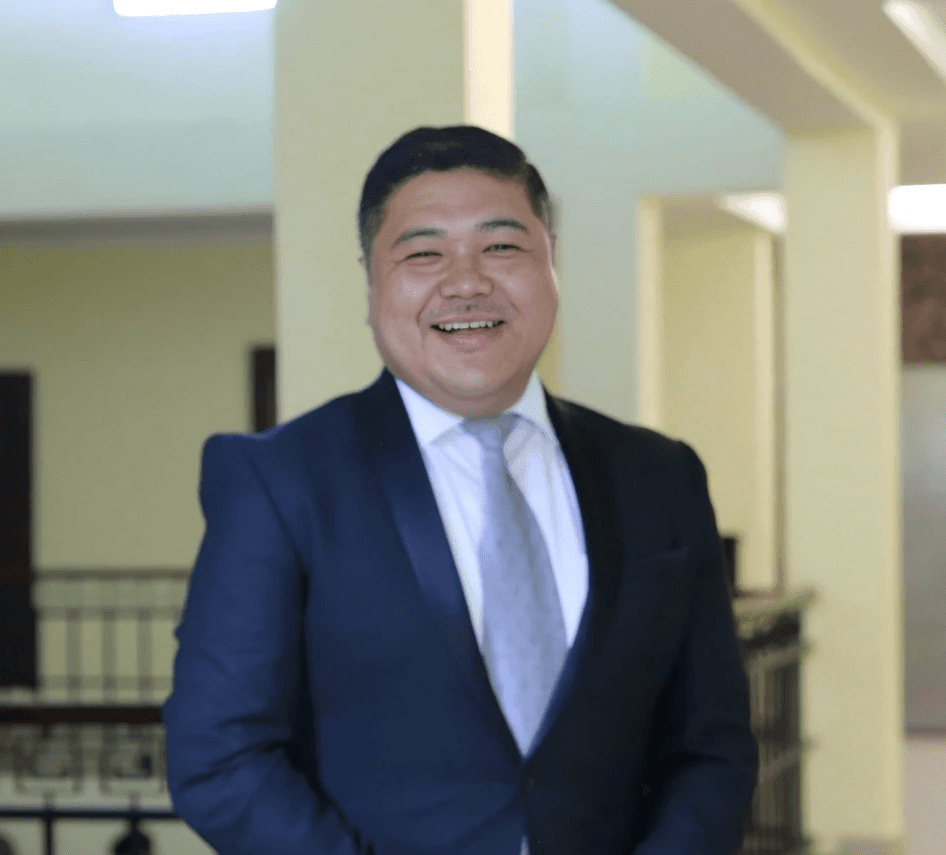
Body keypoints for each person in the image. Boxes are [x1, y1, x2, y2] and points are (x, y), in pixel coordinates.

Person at [162, 125, 758, 855]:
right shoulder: (280, 480)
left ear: (551, 260)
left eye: (501, 247)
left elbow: (711, 747)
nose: (467, 280)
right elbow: (219, 755)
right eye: (423, 253)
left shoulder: (659, 475)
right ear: (372, 281)